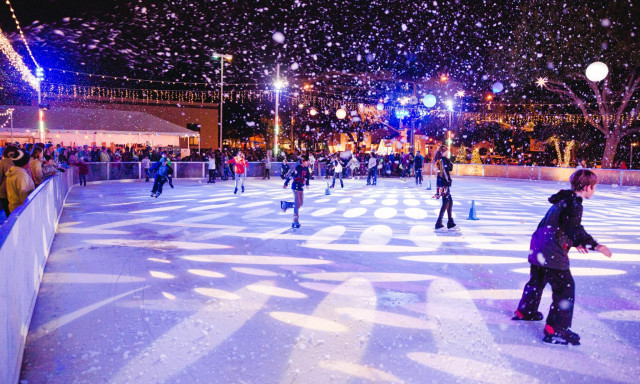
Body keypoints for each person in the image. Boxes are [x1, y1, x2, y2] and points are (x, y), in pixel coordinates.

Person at [513, 169, 612, 345]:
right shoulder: (574, 204)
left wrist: (574, 242)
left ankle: (525, 311)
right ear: (587, 187)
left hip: (538, 246)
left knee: (537, 280)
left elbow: (560, 226)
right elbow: (573, 228)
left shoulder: (562, 201)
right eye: (594, 187)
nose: (594, 191)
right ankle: (556, 330)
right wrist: (595, 245)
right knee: (565, 289)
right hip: (552, 251)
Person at [281, 155, 310, 228]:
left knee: (300, 203)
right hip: (295, 187)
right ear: (303, 161)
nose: (308, 163)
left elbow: (307, 177)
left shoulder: (306, 168)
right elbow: (290, 175)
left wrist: (307, 184)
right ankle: (295, 221)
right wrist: (286, 183)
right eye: (307, 162)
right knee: (297, 204)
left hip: (301, 187)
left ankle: (286, 205)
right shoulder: (297, 168)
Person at [434, 145, 456, 230]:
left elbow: (442, 172)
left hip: (441, 182)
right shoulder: (443, 160)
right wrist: (448, 181)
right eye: (447, 151)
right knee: (446, 201)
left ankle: (450, 221)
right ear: (444, 152)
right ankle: (439, 222)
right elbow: (445, 172)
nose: (448, 152)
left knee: (449, 201)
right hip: (444, 183)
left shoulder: (440, 160)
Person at [0, 145, 18, 217]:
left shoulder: (2, 162)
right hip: (15, 189)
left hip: (4, 190)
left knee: (7, 211)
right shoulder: (17, 161)